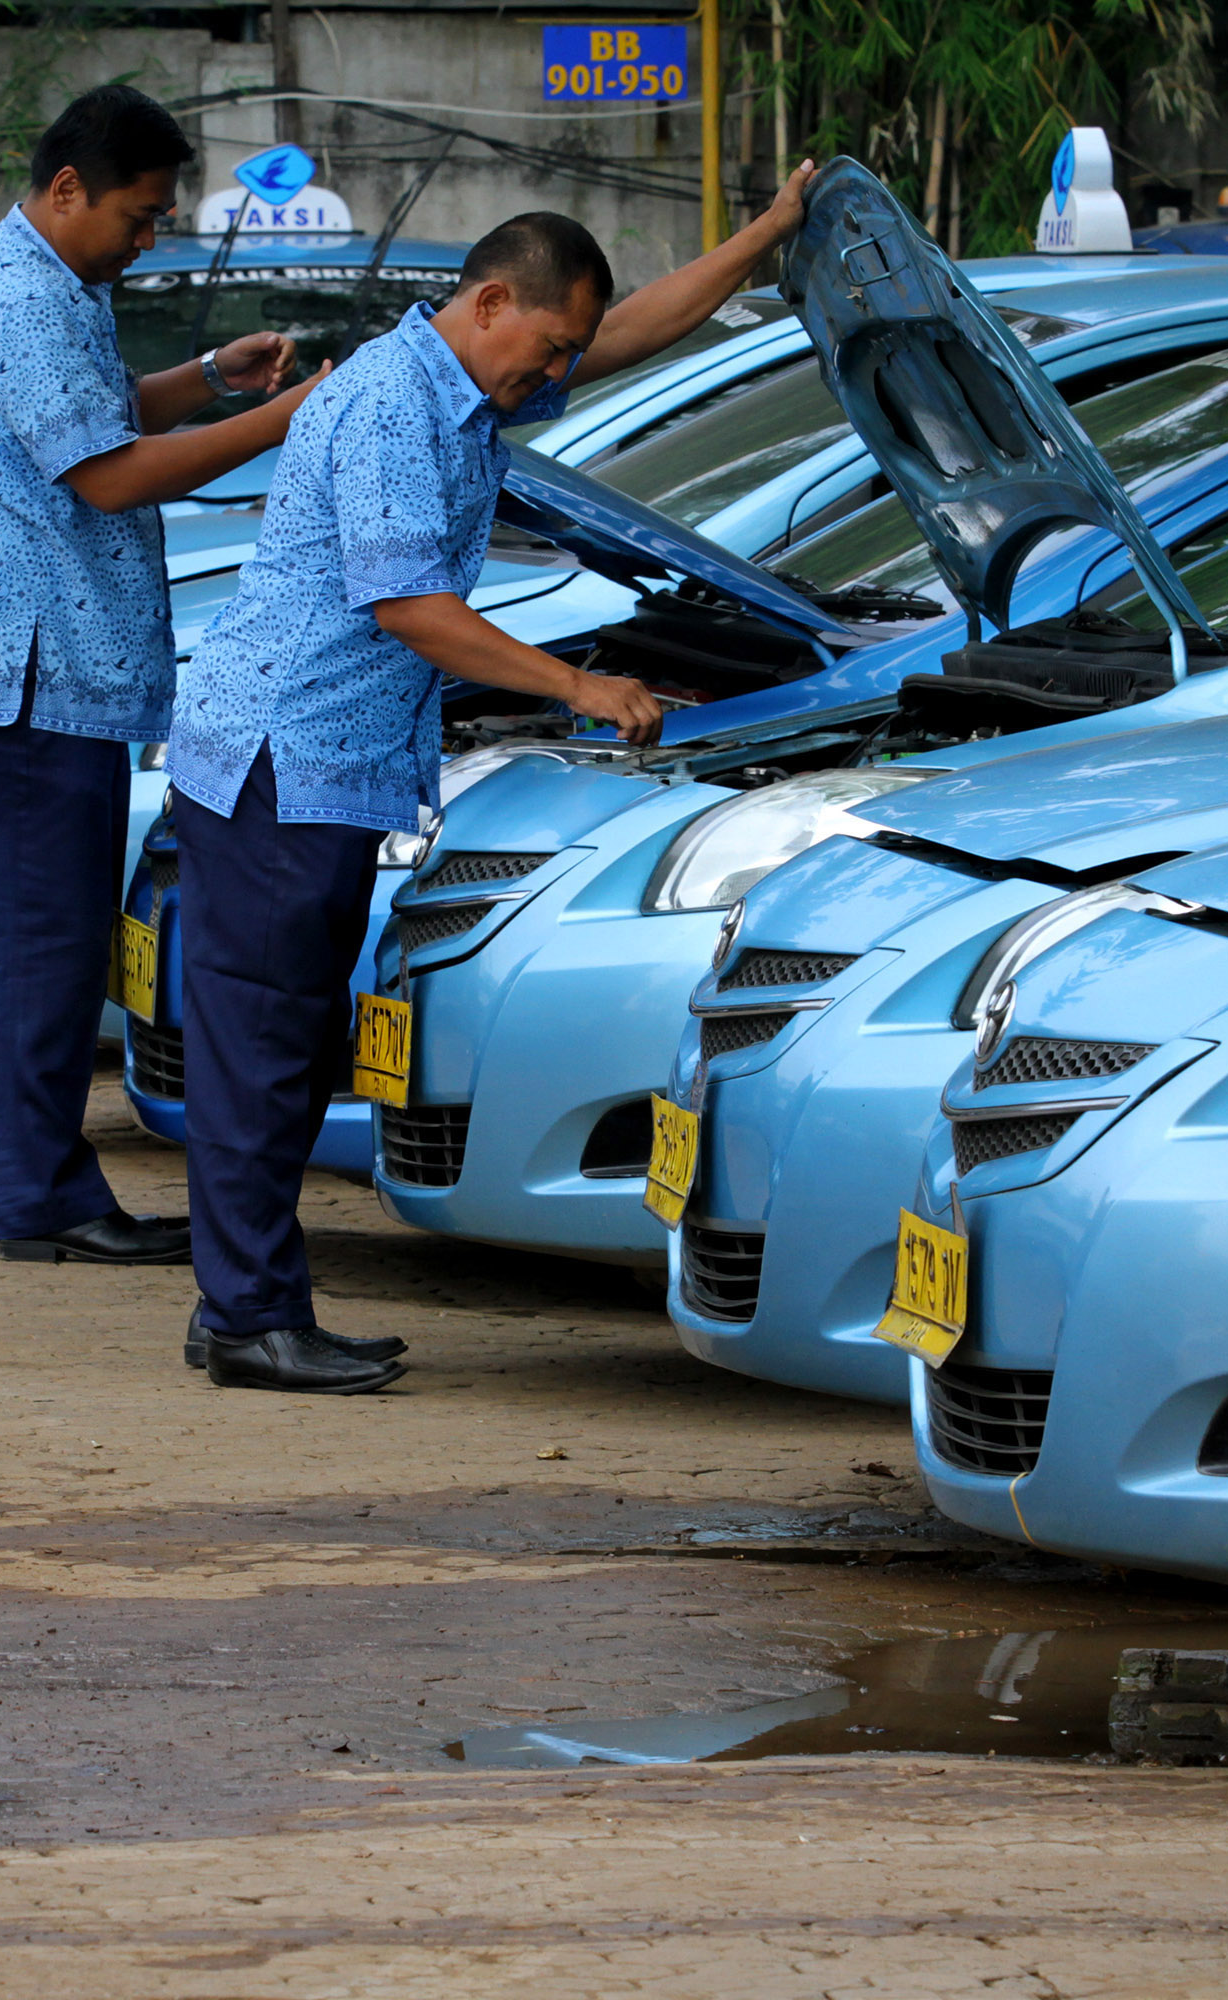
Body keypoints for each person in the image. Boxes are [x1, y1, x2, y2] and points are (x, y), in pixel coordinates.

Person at [168, 173, 817, 1393]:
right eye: (550, 346)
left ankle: (240, 1302)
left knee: (289, 1043)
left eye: (567, 352)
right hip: (279, 758)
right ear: (489, 303)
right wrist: (579, 685)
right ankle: (249, 1315)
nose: (560, 370)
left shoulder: (471, 375)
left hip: (329, 765)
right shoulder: (389, 403)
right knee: (263, 1044)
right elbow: (410, 604)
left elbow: (631, 330)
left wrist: (769, 236)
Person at [0, 85, 325, 1267]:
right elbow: (108, 473)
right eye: (140, 215)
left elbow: (94, 417)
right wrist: (288, 419)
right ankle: (38, 1195)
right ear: (68, 190)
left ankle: (22, 1191)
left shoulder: (55, 284)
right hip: (31, 677)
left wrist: (211, 376)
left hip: (54, 675)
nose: (147, 238)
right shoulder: (27, 297)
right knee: (42, 951)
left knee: (44, 947)